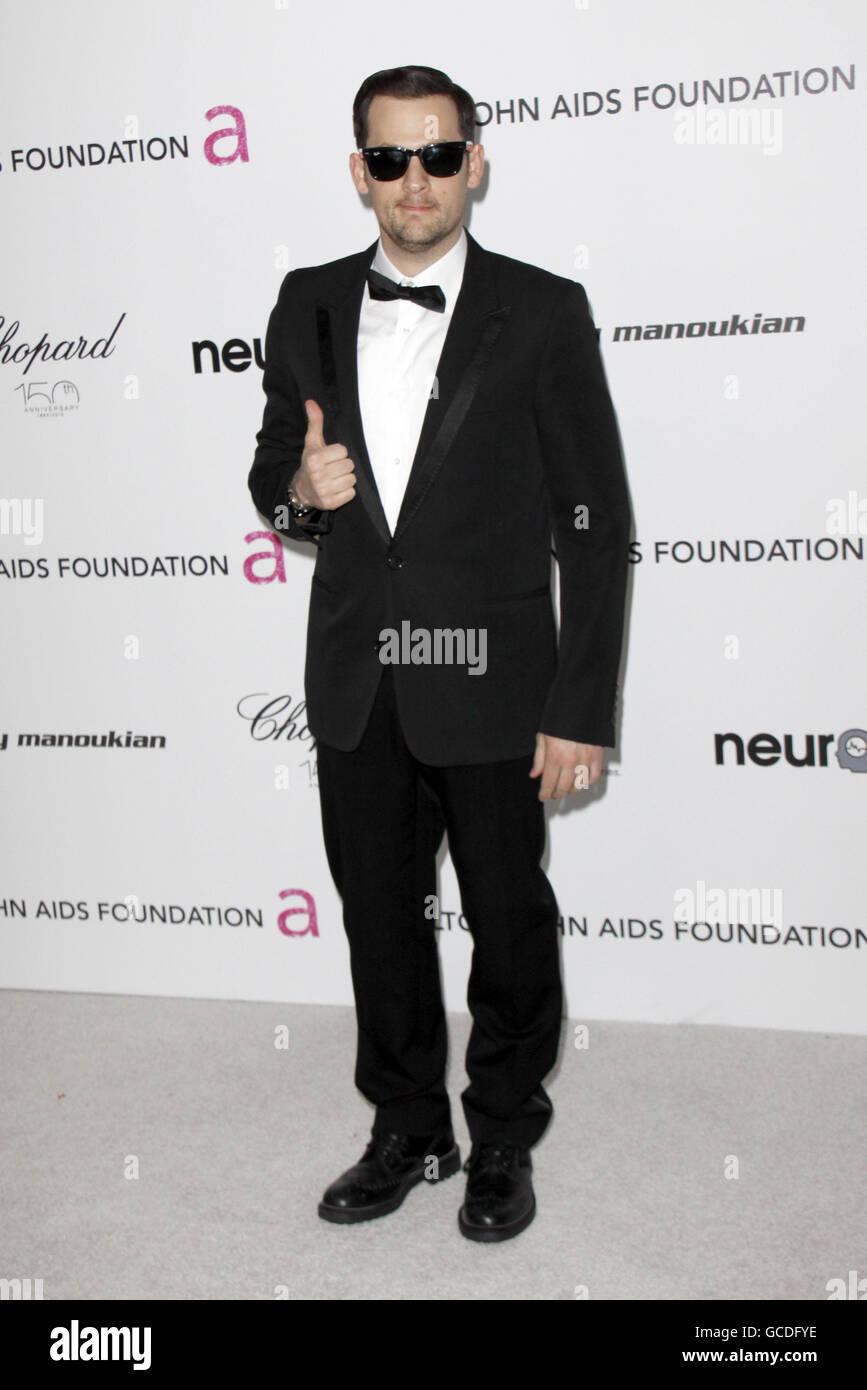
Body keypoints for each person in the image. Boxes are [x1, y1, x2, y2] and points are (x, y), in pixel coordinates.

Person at [248, 64, 631, 1243]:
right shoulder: (306, 300)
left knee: (510, 917)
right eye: (389, 157)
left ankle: (504, 1134)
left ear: (475, 161)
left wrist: (580, 706)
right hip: (361, 677)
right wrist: (300, 501)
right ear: (357, 169)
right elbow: (272, 476)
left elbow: (595, 520)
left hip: (498, 679)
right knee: (379, 914)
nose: (415, 180)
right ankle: (409, 1122)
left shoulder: (544, 307)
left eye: (438, 154)